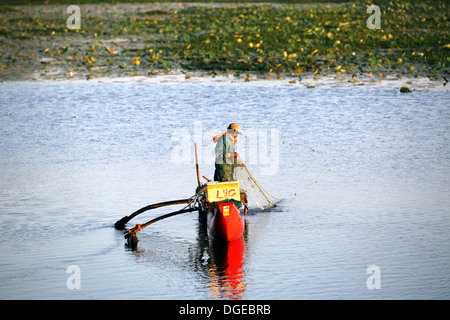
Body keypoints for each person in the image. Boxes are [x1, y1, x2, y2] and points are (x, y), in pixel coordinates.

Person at [213, 123, 248, 214]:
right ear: (233, 132)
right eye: (236, 133)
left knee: (228, 191)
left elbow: (229, 159)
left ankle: (229, 211)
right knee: (225, 191)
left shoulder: (229, 140)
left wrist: (239, 164)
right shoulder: (224, 139)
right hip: (223, 171)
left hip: (228, 169)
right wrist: (234, 155)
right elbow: (220, 155)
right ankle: (224, 212)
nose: (237, 136)